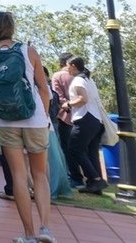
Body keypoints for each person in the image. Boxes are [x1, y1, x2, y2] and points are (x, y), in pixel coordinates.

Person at [0, 10, 56, 243]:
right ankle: (45, 229)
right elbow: (43, 89)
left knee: (18, 176)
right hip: (35, 119)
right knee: (39, 175)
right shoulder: (28, 51)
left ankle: (28, 234)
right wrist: (46, 116)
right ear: (12, 28)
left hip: (6, 120)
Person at [62, 57, 108, 194]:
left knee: (75, 149)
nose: (66, 69)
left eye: (68, 66)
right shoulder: (89, 80)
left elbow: (83, 99)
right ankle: (94, 184)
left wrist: (68, 104)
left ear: (74, 66)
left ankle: (96, 179)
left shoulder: (78, 80)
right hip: (96, 120)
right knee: (91, 152)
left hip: (85, 118)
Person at [50, 51, 81, 188]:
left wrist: (65, 105)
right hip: (80, 115)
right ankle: (80, 176)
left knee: (63, 147)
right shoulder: (80, 77)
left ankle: (70, 176)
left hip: (64, 115)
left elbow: (57, 96)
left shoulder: (57, 76)